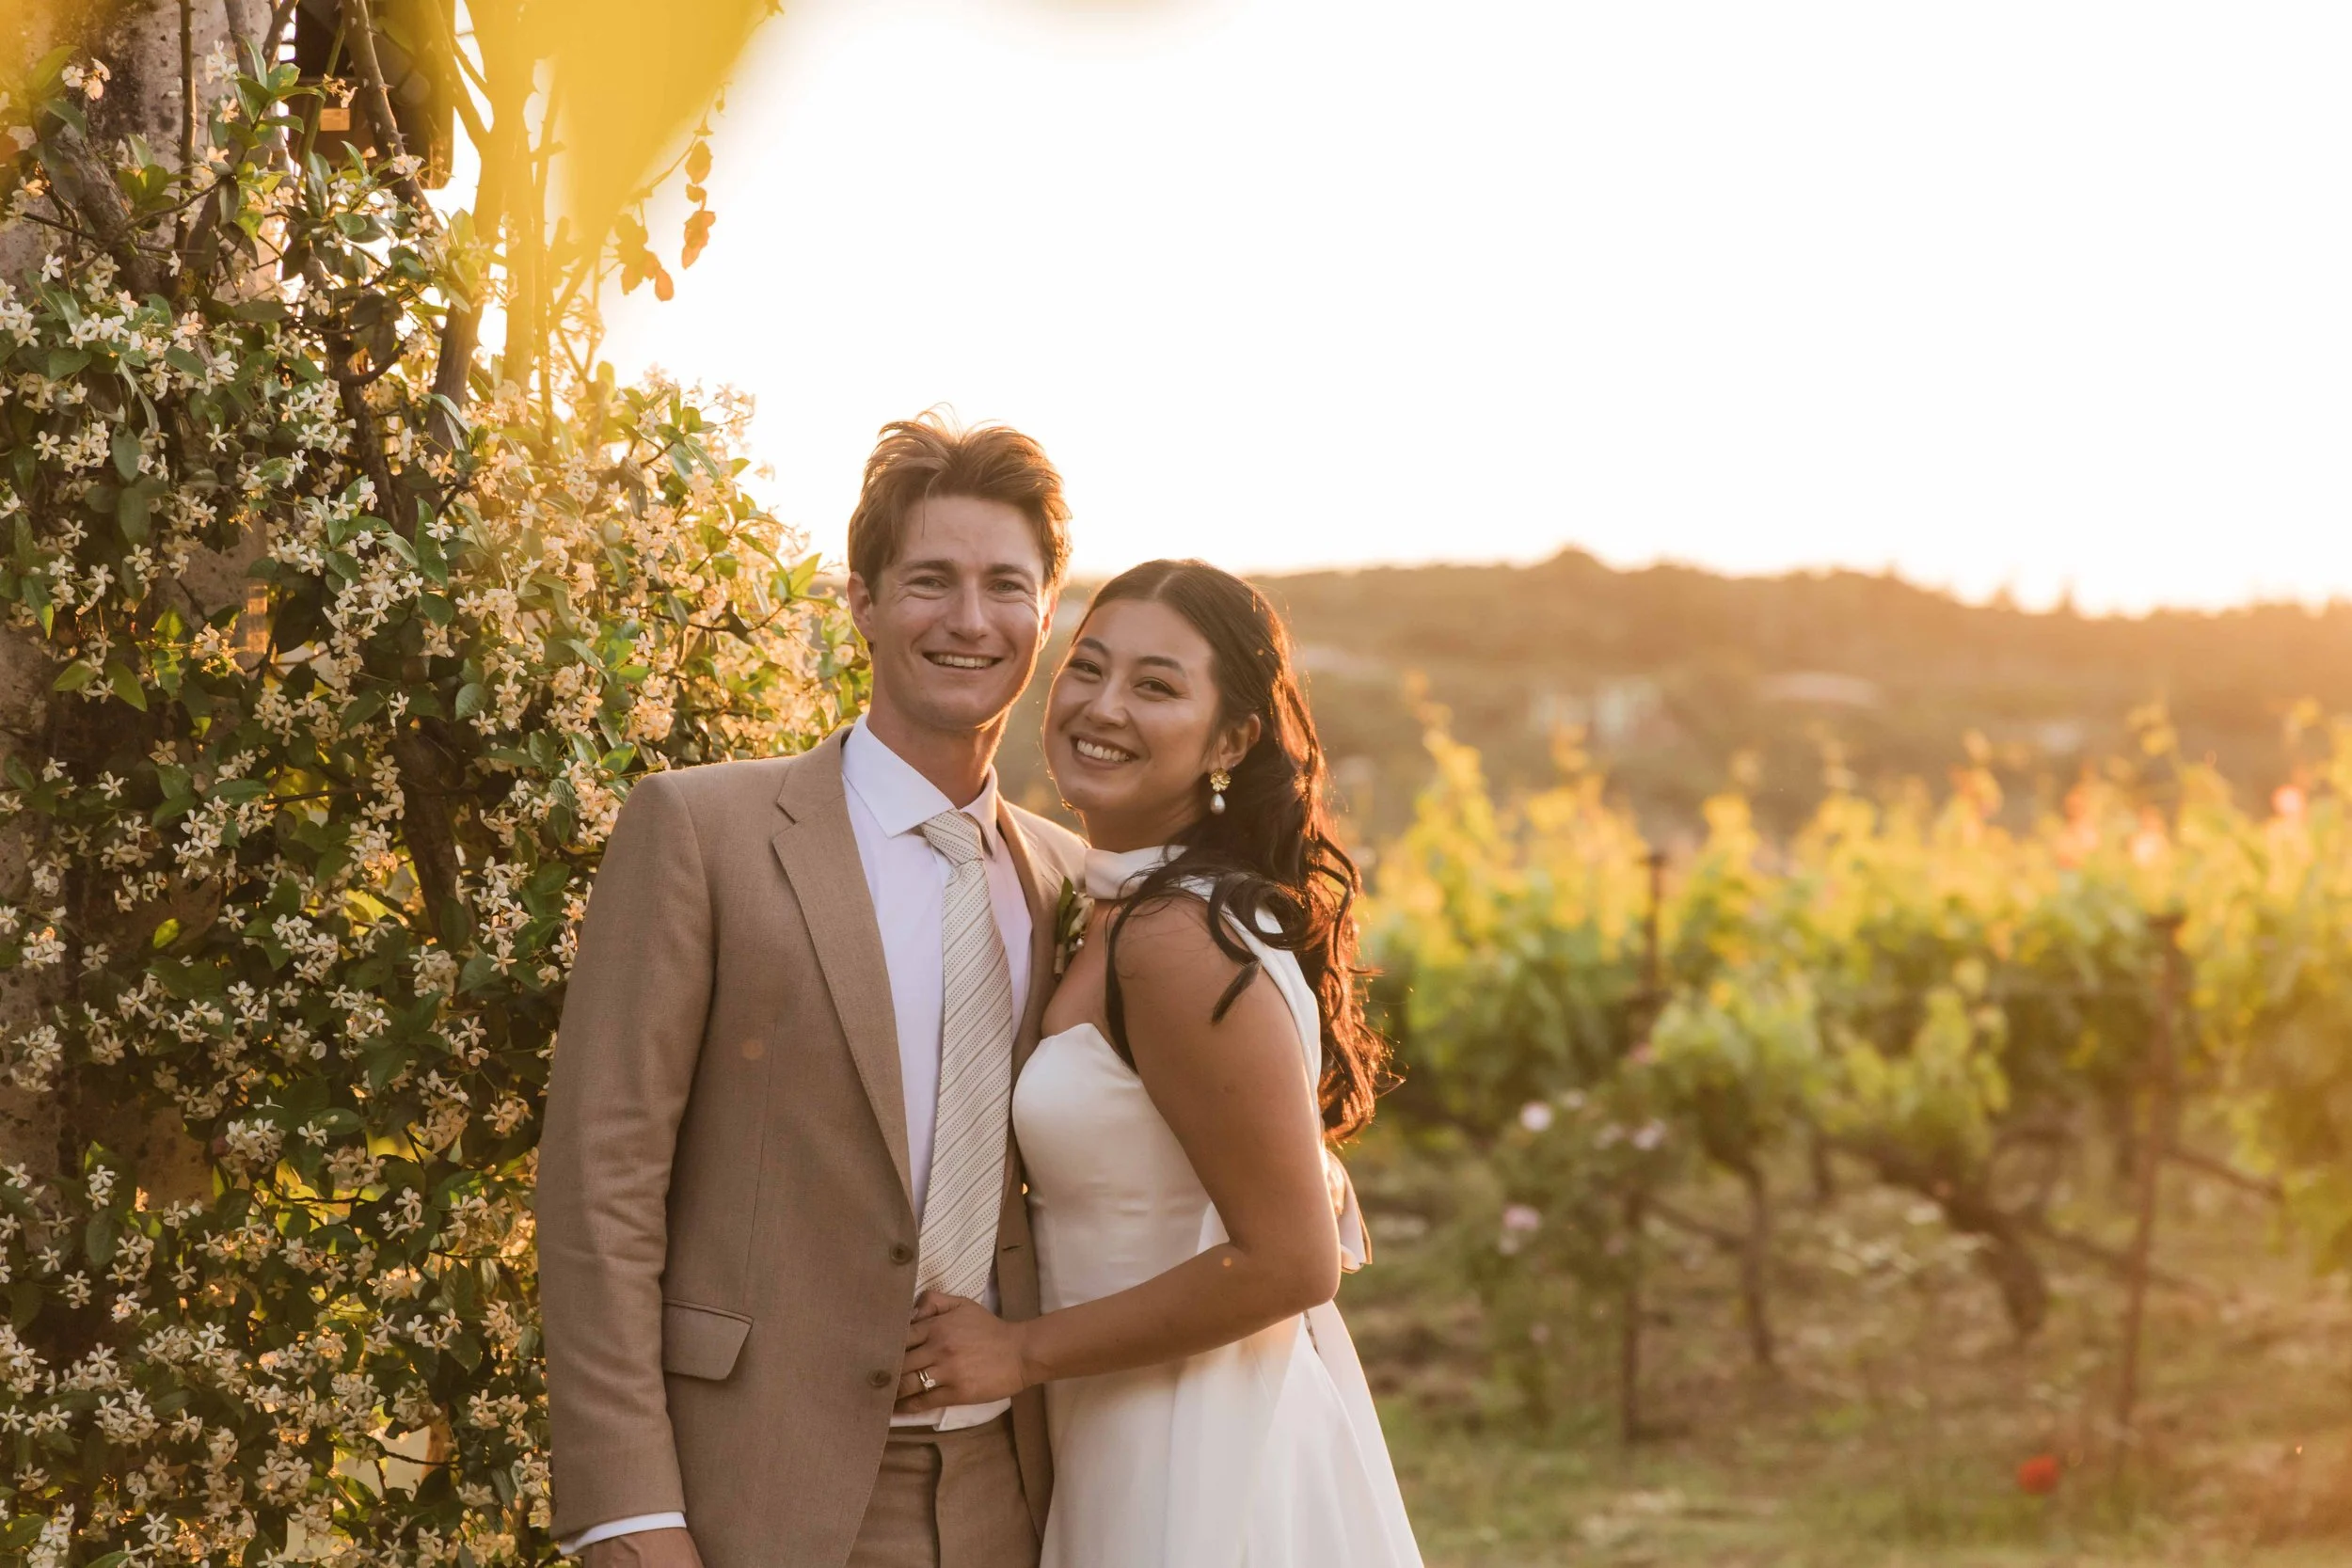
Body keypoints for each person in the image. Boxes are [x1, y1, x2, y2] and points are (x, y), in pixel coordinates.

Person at [537, 414, 1085, 1568]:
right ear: (864, 601)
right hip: (755, 1483)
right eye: (930, 579)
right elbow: (602, 1183)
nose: (969, 618)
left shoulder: (1069, 882)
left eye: (1006, 585)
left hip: (1018, 1493)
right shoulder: (700, 829)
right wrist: (628, 1512)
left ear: (1046, 611)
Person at [894, 560, 1423, 1565]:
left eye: (1155, 684)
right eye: (1086, 668)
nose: (1102, 705)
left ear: (1230, 740)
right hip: (1120, 1425)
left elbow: (1292, 1258)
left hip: (1194, 1445)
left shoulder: (1181, 936)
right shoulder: (1111, 903)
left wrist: (1019, 1351)